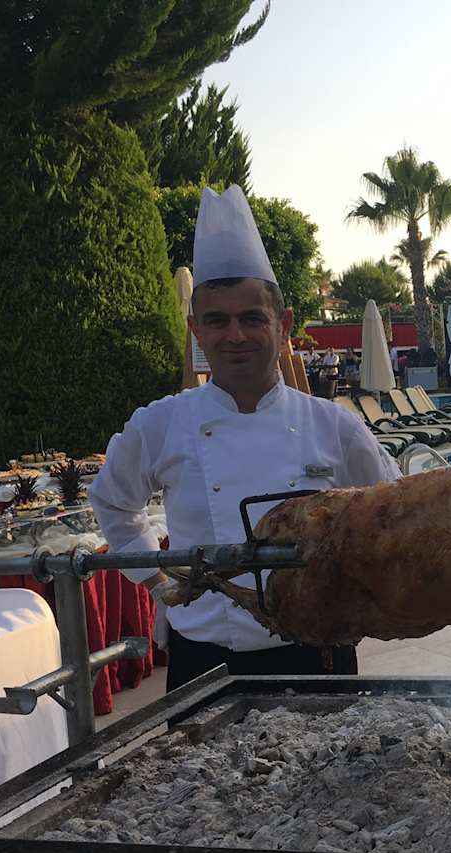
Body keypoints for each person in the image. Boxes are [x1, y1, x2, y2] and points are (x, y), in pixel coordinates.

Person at [90, 186, 400, 691]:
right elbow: (111, 503)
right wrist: (157, 582)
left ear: (284, 325)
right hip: (204, 661)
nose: (235, 335)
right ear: (196, 330)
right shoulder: (160, 423)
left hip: (319, 653)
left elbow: (392, 511)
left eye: (252, 318)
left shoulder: (335, 425)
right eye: (217, 321)